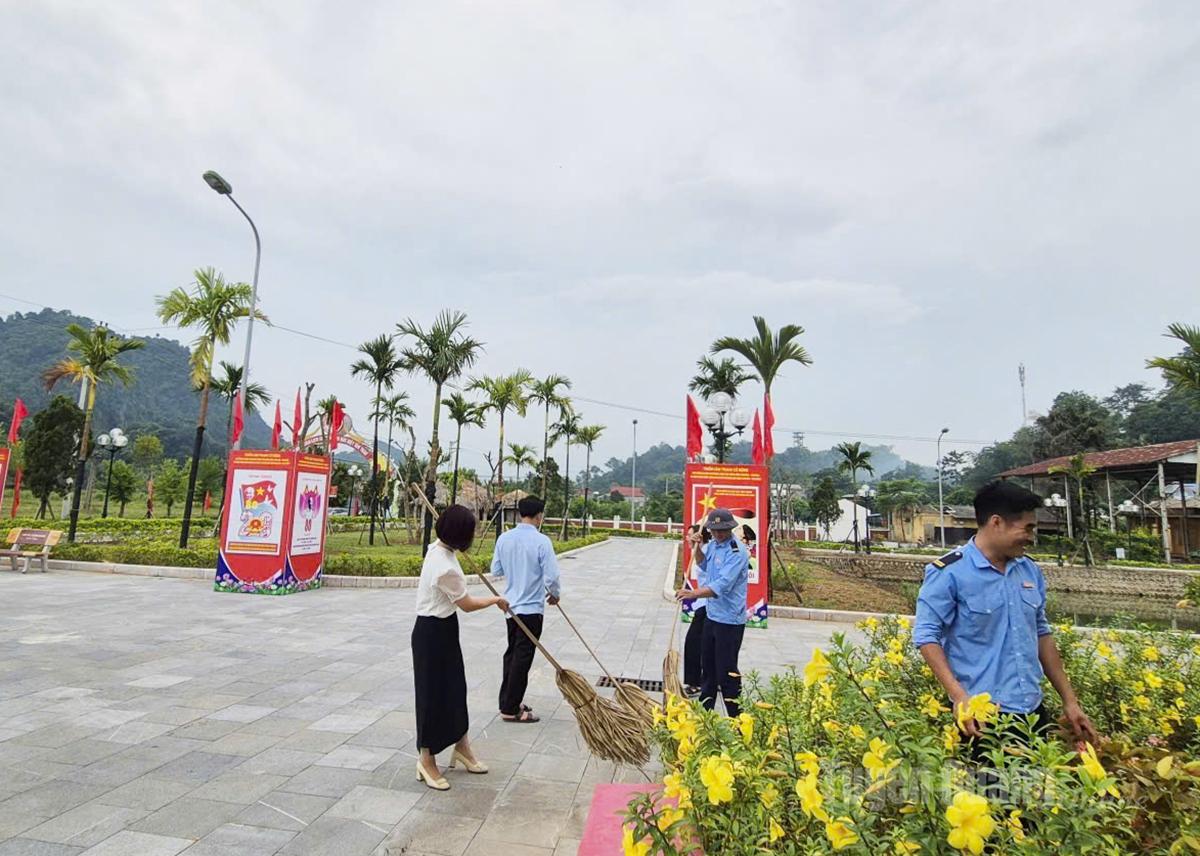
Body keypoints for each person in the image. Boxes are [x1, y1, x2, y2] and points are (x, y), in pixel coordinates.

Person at [914, 480, 1099, 761]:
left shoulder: (1029, 571)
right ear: (996, 522)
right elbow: (926, 636)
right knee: (989, 800)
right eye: (1027, 528)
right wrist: (958, 697)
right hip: (980, 718)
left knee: (1033, 799)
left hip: (1031, 712)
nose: (1031, 537)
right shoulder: (949, 572)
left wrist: (1069, 702)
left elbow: (1041, 634)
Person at [412, 505, 509, 791]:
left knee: (455, 689)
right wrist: (495, 601)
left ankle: (461, 746)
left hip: (444, 629)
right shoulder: (443, 566)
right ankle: (426, 759)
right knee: (431, 696)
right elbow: (466, 605)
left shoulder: (441, 550)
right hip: (431, 633)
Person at [491, 495, 562, 723]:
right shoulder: (542, 541)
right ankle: (511, 709)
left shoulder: (504, 538)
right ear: (539, 515)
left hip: (510, 608)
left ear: (520, 513)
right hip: (531, 609)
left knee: (512, 654)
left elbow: (496, 569)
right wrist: (555, 594)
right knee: (522, 658)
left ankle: (509, 700)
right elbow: (552, 576)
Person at [675, 508, 749, 717]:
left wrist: (693, 594)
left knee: (727, 673)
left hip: (730, 621)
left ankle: (737, 719)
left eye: (722, 530)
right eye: (714, 530)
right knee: (707, 669)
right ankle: (705, 716)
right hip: (711, 615)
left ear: (730, 528)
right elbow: (703, 565)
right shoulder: (714, 545)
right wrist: (695, 547)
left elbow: (722, 585)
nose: (718, 534)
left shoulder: (738, 552)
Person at [681, 524, 711, 697]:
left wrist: (693, 594)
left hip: (708, 604)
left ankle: (695, 683)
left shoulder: (706, 550)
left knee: (693, 642)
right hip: (702, 603)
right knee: (706, 644)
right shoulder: (699, 551)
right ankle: (713, 679)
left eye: (691, 535)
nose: (688, 538)